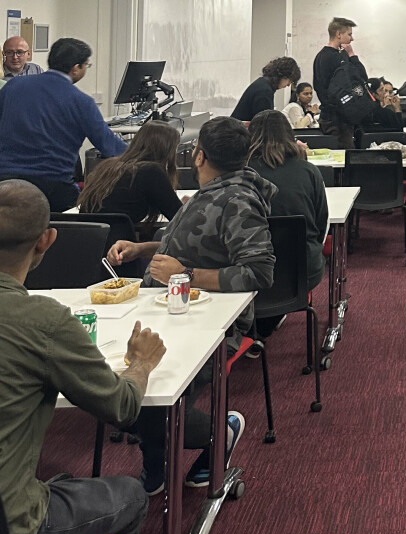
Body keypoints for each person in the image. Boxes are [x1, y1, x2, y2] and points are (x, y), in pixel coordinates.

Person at [0, 179, 164, 534]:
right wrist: (140, 365)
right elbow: (120, 408)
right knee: (129, 497)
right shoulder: (40, 320)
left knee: (61, 487)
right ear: (47, 240)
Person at [106, 117, 275, 493]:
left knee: (149, 402)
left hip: (208, 323)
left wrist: (186, 274)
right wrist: (145, 248)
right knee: (125, 391)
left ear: (198, 156)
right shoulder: (211, 191)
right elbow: (194, 244)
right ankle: (157, 465)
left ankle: (221, 431)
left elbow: (259, 272)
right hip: (168, 308)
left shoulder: (238, 199)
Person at [0, 38, 126, 212]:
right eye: (86, 66)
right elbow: (109, 146)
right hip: (53, 190)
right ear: (76, 68)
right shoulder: (82, 102)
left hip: (6, 185)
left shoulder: (12, 86)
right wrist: (146, 154)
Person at [246, 110, 327, 317]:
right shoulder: (309, 171)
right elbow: (320, 225)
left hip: (249, 272)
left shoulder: (240, 173)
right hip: (302, 271)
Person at [77, 120, 183, 228]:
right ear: (167, 150)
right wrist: (189, 205)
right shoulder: (151, 172)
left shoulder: (108, 166)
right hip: (118, 242)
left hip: (87, 239)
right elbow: (179, 218)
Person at [313, 17, 366, 149]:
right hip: (339, 119)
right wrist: (352, 55)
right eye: (349, 34)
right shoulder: (339, 58)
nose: (352, 39)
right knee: (344, 159)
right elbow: (361, 78)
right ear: (338, 34)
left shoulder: (320, 56)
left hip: (327, 116)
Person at [231, 57, 301, 122]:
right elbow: (264, 123)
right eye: (289, 81)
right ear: (283, 76)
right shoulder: (265, 91)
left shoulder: (262, 84)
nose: (288, 85)